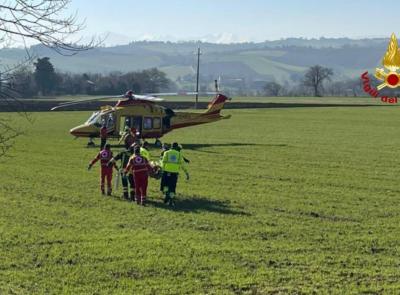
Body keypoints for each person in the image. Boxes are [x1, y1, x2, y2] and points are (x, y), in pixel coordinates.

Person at [161, 142, 189, 206]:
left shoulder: (166, 153)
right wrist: (186, 173)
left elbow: (163, 162)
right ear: (176, 147)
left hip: (166, 172)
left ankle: (166, 195)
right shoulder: (179, 154)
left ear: (171, 146)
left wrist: (162, 170)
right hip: (174, 173)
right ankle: (171, 200)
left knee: (165, 185)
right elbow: (182, 165)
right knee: (172, 187)